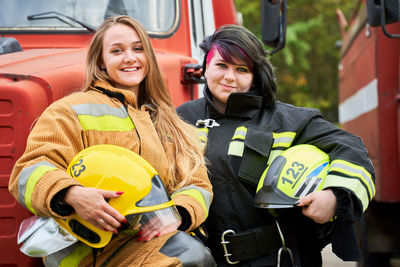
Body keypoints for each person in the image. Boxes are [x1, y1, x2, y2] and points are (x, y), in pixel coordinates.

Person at [9, 15, 215, 266]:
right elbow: (29, 169)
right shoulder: (69, 111)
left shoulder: (168, 122)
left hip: (150, 242)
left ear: (148, 57)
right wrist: (71, 194)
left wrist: (178, 214)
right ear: (101, 62)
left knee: (193, 257)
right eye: (117, 51)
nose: (130, 58)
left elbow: (197, 184)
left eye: (138, 49)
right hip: (88, 252)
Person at [177, 24, 376, 267]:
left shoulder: (290, 120)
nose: (230, 77)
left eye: (242, 69)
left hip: (277, 258)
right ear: (206, 66)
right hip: (202, 259)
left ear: (256, 76)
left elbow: (352, 149)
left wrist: (334, 197)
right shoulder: (180, 118)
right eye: (221, 65)